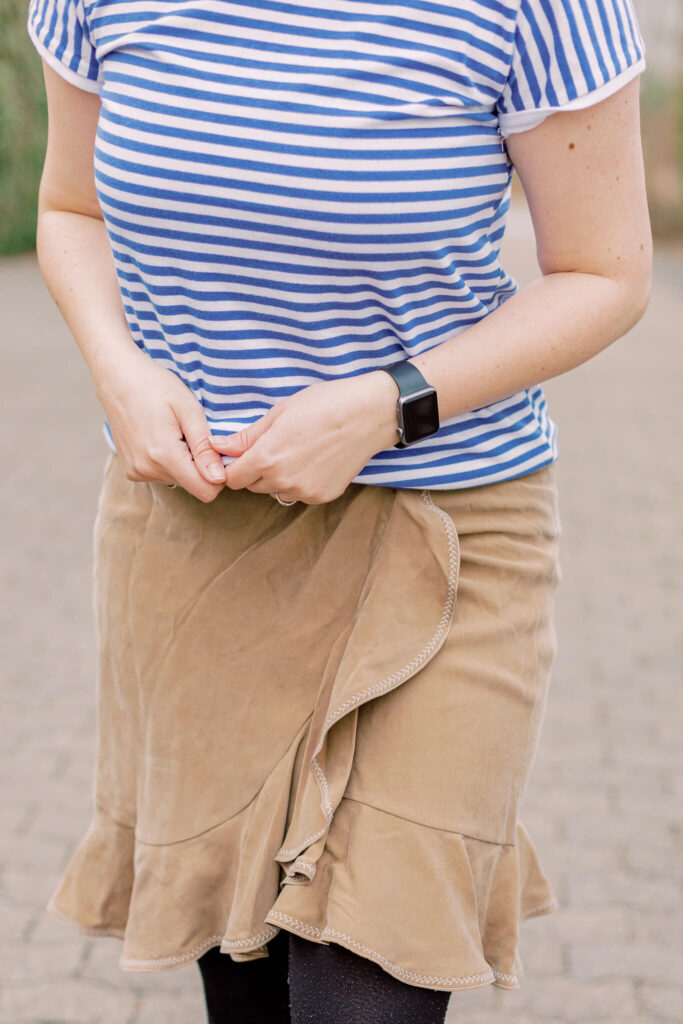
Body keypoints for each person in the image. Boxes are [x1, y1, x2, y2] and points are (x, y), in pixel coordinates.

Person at [26, 0, 652, 1020]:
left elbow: (604, 274)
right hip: (193, 530)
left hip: (442, 536)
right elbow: (71, 209)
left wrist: (388, 404)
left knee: (362, 1000)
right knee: (244, 980)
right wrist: (118, 371)